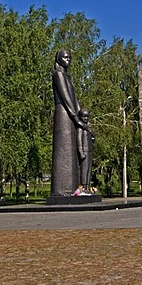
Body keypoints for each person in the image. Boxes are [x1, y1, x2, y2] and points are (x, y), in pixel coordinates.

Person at [51, 49, 87, 197]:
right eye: (65, 57)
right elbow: (65, 97)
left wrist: (79, 113)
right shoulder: (58, 74)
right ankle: (62, 189)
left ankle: (74, 189)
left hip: (70, 115)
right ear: (59, 59)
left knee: (71, 151)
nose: (68, 60)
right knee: (63, 150)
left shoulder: (68, 76)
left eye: (70, 57)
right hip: (63, 115)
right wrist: (74, 115)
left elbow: (74, 98)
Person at [77, 109, 95, 191]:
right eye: (84, 116)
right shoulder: (80, 129)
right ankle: (83, 187)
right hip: (84, 151)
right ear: (80, 117)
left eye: (87, 116)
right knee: (84, 170)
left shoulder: (89, 127)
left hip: (89, 151)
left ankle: (87, 186)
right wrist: (81, 152)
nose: (85, 118)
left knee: (88, 169)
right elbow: (79, 140)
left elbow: (93, 138)